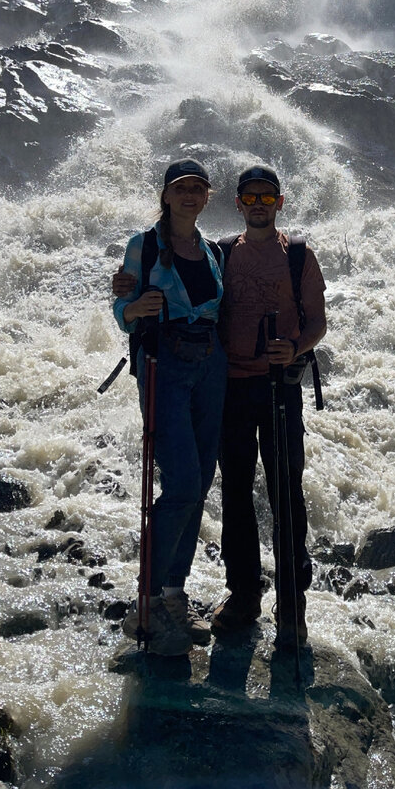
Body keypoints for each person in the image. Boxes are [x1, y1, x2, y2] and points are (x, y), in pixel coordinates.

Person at [113, 158, 227, 658]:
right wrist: (131, 308)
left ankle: (175, 594)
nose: (189, 195)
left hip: (210, 365)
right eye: (181, 187)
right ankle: (147, 595)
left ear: (207, 197)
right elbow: (122, 307)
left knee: (198, 483)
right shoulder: (144, 245)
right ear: (165, 194)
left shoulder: (210, 250)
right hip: (165, 364)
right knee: (180, 482)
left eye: (197, 188)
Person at [211, 166, 326, 649]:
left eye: (267, 197)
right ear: (238, 204)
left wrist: (295, 347)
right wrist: (128, 286)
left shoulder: (298, 255)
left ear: (280, 202)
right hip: (230, 389)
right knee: (235, 493)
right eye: (250, 197)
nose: (258, 204)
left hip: (280, 386)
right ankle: (243, 595)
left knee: (285, 492)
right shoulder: (219, 255)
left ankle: (292, 604)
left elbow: (318, 322)